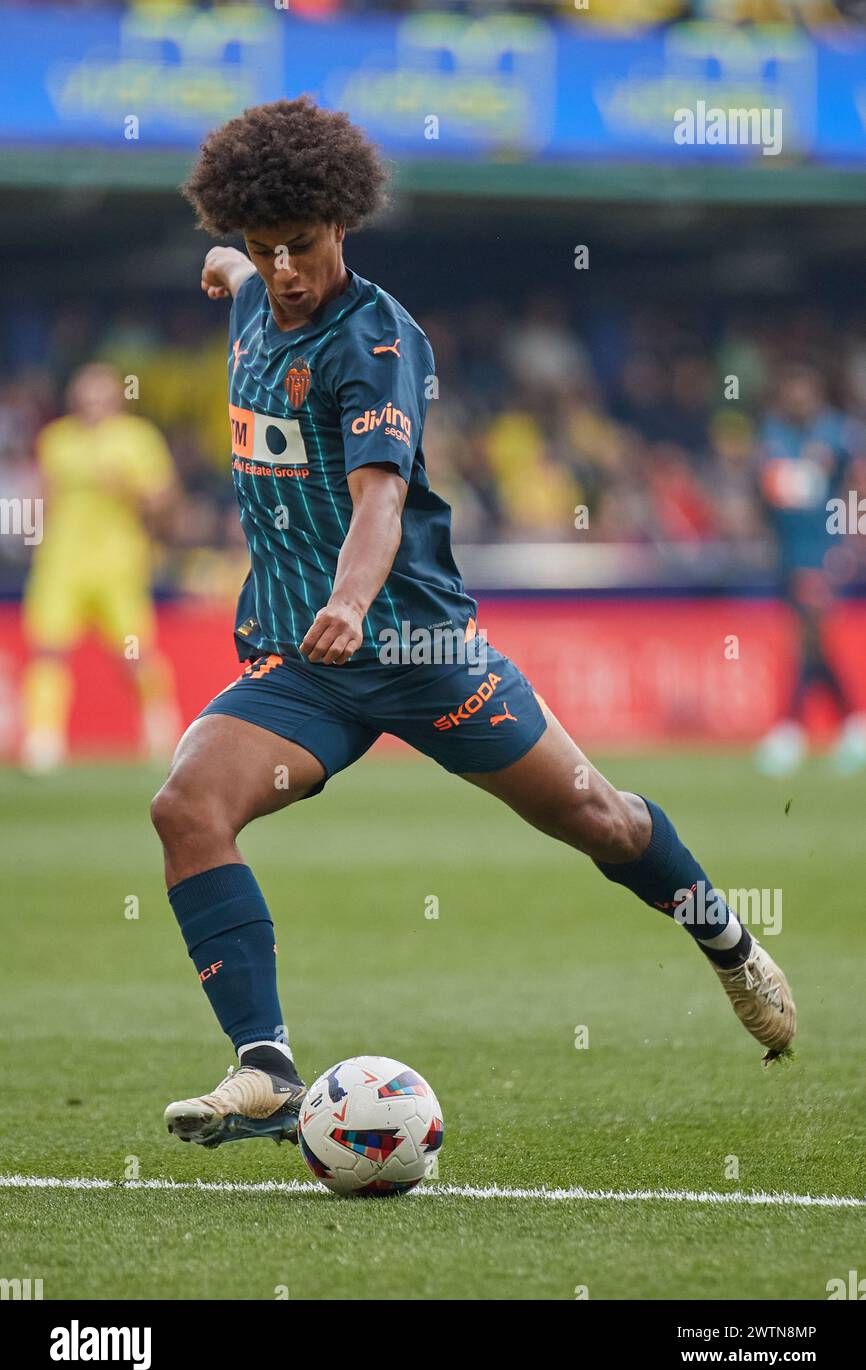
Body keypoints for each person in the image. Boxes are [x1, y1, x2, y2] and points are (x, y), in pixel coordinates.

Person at [152, 98, 795, 1153]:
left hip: (412, 649)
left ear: (341, 223)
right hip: (302, 667)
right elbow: (230, 267)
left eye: (301, 248)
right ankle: (265, 1063)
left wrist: (351, 602)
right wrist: (229, 260)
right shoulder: (251, 288)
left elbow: (379, 500)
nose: (285, 273)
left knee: (601, 820)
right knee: (184, 807)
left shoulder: (375, 341)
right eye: (265, 251)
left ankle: (723, 938)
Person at [22, 362, 180, 772]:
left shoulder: (137, 440)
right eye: (85, 393)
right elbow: (44, 497)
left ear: (116, 397)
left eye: (100, 394)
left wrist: (132, 490)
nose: (92, 402)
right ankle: (44, 741)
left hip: (118, 562)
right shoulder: (56, 440)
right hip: (61, 561)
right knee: (48, 649)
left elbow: (163, 500)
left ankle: (159, 727)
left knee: (134, 653)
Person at [755, 363, 866, 776]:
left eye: (804, 388)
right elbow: (769, 491)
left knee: (808, 637)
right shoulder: (773, 434)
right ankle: (854, 725)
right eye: (791, 389)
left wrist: (849, 542)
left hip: (822, 553)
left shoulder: (838, 433)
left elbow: (856, 487)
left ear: (816, 390)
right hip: (789, 555)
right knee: (812, 641)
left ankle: (790, 729)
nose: (797, 397)